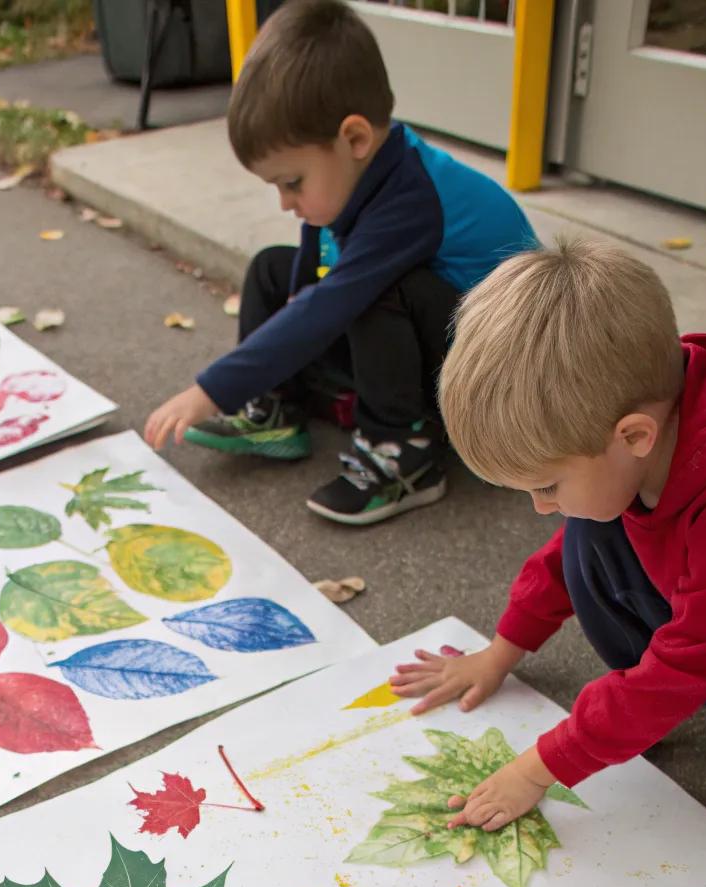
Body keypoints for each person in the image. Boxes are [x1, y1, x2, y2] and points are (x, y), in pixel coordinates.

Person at [390, 237, 706, 831]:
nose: (541, 508)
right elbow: (560, 560)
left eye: (546, 485)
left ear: (634, 437)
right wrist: (499, 653)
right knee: (586, 534)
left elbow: (688, 662)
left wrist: (540, 767)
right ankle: (644, 710)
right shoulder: (634, 437)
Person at [144, 0, 535, 525]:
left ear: (354, 139)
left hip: (497, 378)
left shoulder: (411, 199)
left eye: (292, 182)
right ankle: (277, 407)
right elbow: (315, 263)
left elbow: (334, 300)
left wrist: (213, 389)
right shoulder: (361, 170)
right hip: (440, 341)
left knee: (370, 290)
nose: (285, 202)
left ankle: (404, 452)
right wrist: (286, 329)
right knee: (271, 268)